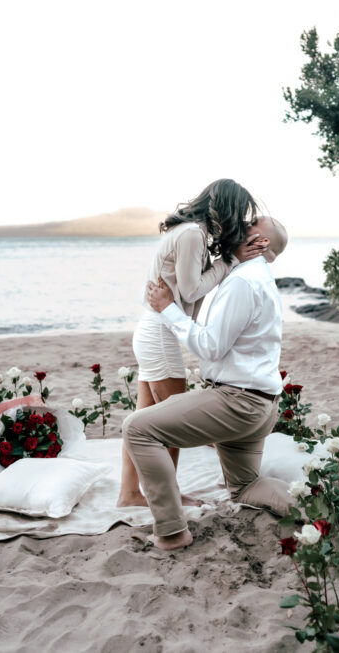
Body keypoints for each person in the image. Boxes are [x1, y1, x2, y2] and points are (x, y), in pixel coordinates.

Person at [122, 216, 292, 550]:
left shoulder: (244, 282)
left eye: (251, 222)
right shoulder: (254, 276)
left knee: (138, 429)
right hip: (259, 405)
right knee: (244, 488)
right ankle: (315, 507)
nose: (241, 221)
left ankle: (171, 532)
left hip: (238, 403)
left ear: (261, 242)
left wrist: (169, 310)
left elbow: (209, 346)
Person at [117, 179, 267, 507]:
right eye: (238, 214)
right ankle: (168, 495)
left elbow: (186, 292)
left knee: (144, 417)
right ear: (227, 209)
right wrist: (229, 262)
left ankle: (129, 494)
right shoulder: (192, 234)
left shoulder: (190, 231)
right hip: (159, 334)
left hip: (155, 331)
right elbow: (189, 291)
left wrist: (229, 260)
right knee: (172, 422)